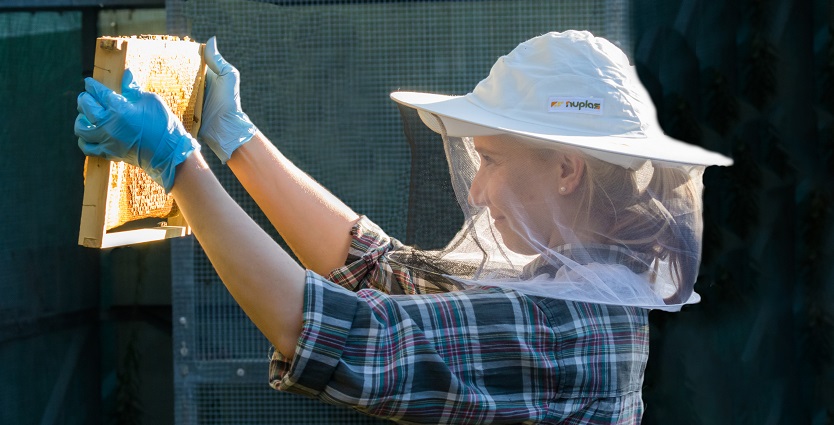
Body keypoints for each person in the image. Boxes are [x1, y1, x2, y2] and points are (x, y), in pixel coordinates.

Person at [75, 30, 731, 424]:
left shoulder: (563, 327)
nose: (476, 188)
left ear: (565, 168)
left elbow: (338, 333)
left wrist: (180, 164)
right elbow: (390, 271)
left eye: (494, 160)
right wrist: (235, 140)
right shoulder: (588, 284)